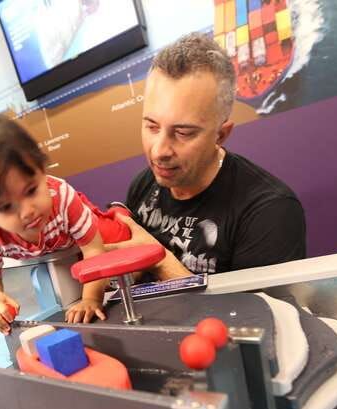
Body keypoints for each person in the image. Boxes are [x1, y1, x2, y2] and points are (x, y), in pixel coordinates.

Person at [107, 32, 306, 278]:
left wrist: (158, 260)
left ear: (221, 135)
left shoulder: (270, 211)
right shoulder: (143, 184)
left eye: (183, 133)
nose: (158, 151)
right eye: (152, 127)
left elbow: (254, 305)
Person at [0, 115, 130, 334]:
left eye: (31, 190)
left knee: (120, 239)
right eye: (6, 207)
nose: (27, 211)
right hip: (58, 250)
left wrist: (91, 299)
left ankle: (119, 211)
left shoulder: (62, 197)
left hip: (83, 233)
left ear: (42, 168)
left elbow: (94, 251)